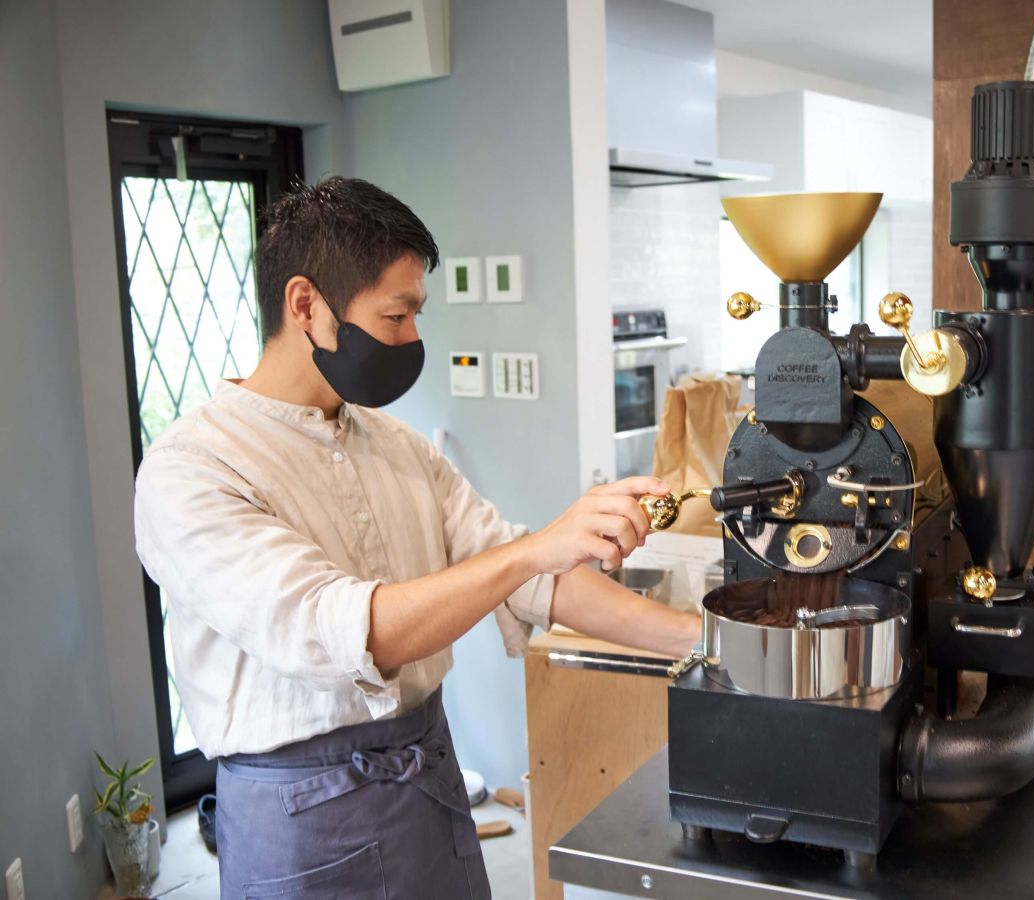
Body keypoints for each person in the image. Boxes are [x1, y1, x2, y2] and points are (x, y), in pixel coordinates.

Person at [133, 176, 701, 898]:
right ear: (306, 305)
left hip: (426, 781)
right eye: (395, 316)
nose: (412, 340)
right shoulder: (193, 470)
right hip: (303, 819)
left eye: (415, 316)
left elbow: (536, 580)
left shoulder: (396, 446)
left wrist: (703, 640)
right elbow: (349, 631)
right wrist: (536, 547)